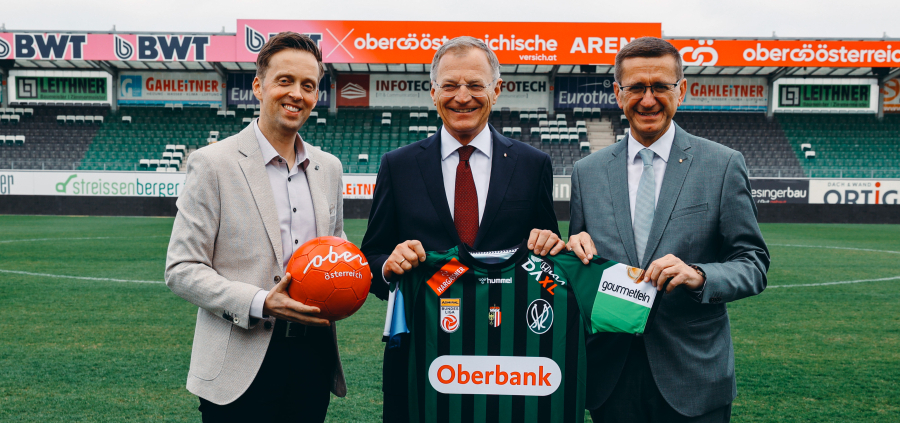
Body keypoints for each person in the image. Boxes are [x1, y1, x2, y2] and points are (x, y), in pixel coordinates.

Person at [360, 36, 565, 422]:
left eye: (475, 84)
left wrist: (550, 244)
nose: (462, 97)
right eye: (450, 85)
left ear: (497, 90)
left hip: (507, 357)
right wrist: (387, 266)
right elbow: (371, 257)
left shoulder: (532, 164)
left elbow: (547, 260)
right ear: (433, 92)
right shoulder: (398, 165)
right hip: (420, 355)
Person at [566, 36, 769, 423]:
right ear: (617, 93)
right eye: (636, 88)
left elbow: (753, 263)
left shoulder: (722, 165)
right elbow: (581, 263)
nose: (648, 100)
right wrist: (574, 248)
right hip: (611, 376)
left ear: (682, 90)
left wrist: (699, 275)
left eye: (660, 86)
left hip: (693, 375)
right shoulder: (586, 173)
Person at [165, 32, 346, 422]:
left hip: (312, 360)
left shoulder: (329, 168)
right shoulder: (213, 163)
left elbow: (336, 248)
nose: (296, 93)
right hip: (238, 364)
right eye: (285, 80)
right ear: (259, 87)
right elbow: (181, 269)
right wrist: (261, 302)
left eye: (308, 85)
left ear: (316, 95)